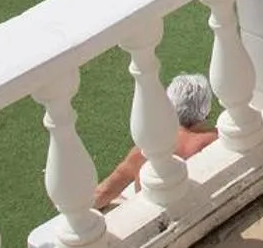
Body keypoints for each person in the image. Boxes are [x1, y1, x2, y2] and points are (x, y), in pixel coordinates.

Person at [89, 73, 218, 209]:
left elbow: (103, 193)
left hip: (153, 218)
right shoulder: (217, 140)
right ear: (206, 109)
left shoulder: (147, 149)